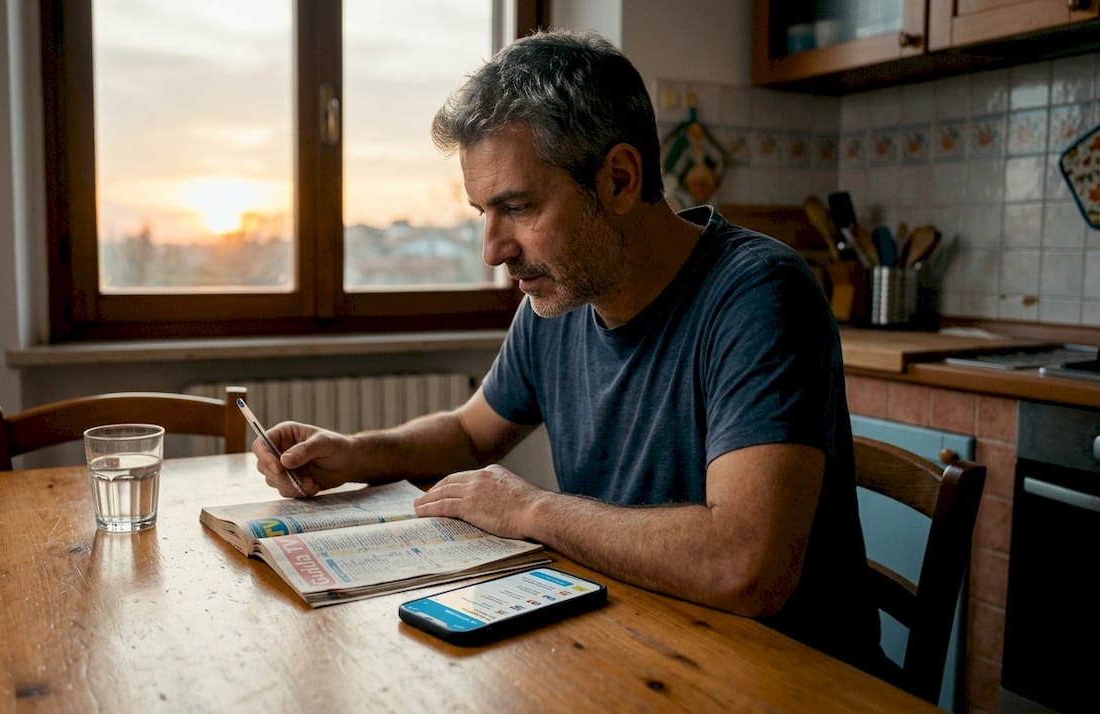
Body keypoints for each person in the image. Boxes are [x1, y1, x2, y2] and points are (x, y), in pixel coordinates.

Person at [253, 29, 885, 675]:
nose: (493, 251)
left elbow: (744, 568)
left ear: (617, 179)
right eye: (483, 214)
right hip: (636, 641)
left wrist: (531, 508)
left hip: (790, 676)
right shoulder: (557, 299)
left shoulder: (759, 293)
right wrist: (357, 453)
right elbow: (472, 434)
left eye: (518, 207)